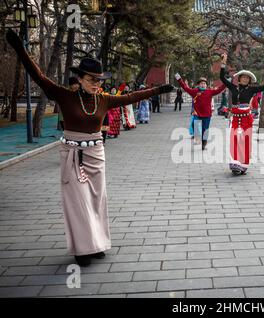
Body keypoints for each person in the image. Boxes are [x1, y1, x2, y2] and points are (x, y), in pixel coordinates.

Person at [5, 29, 174, 266]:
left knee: (96, 200)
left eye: (99, 80)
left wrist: (158, 90)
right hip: (72, 155)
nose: (97, 84)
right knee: (78, 203)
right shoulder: (64, 96)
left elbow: (131, 98)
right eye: (92, 80)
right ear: (81, 79)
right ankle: (82, 250)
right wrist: (20, 49)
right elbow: (39, 75)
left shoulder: (104, 99)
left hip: (96, 154)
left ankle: (95, 244)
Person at [220, 52, 264, 175]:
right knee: (234, 141)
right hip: (235, 119)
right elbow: (222, 78)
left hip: (246, 119)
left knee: (244, 141)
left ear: (249, 80)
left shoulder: (252, 89)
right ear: (239, 78)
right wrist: (223, 63)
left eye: (247, 78)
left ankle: (243, 165)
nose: (245, 79)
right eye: (243, 77)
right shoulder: (233, 88)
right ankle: (235, 163)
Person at [176, 73, 225, 150]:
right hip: (197, 113)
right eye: (201, 83)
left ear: (206, 85)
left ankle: (204, 143)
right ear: (198, 85)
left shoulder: (210, 91)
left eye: (204, 83)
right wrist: (179, 79)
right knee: (197, 127)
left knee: (205, 130)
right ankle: (197, 137)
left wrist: (226, 83)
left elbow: (219, 90)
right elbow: (185, 87)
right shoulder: (194, 91)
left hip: (207, 114)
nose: (203, 85)